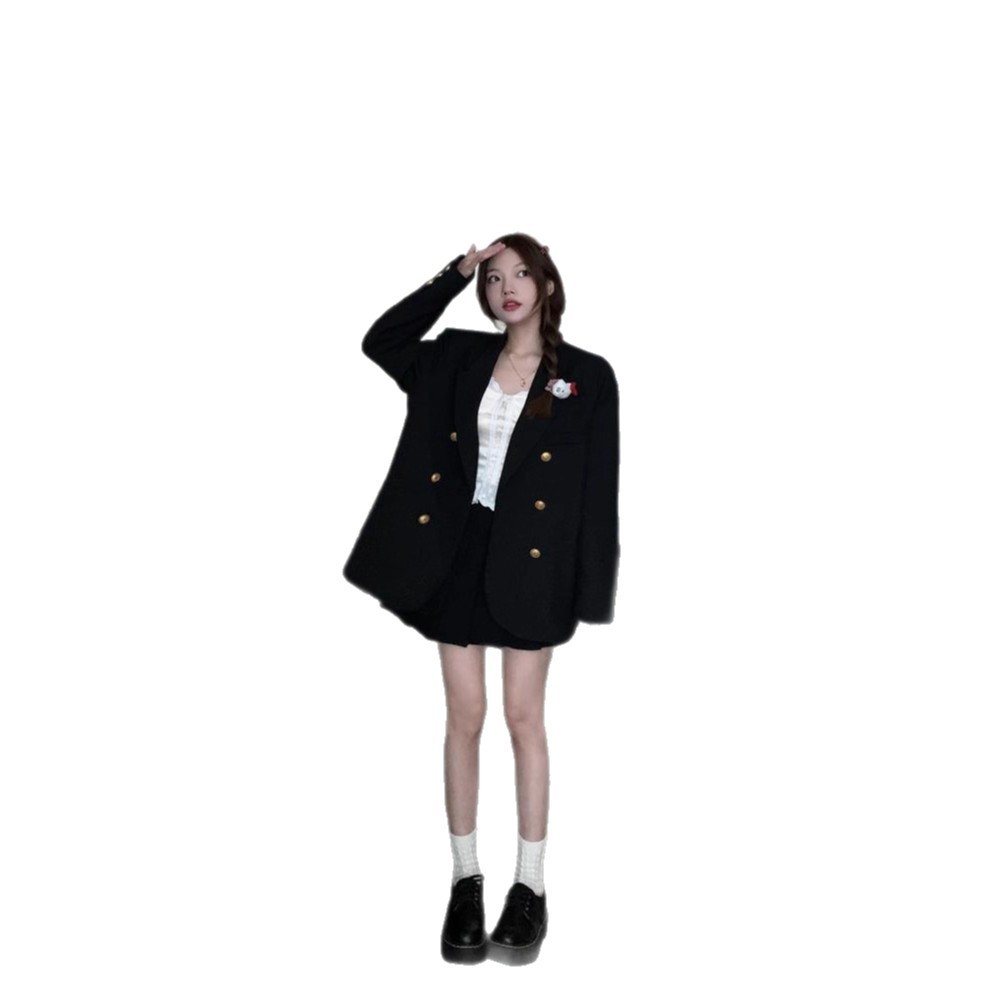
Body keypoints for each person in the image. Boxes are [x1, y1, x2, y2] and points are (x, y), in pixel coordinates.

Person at [343, 233, 620, 965]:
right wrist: (453, 272)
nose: (507, 287)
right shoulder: (456, 357)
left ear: (546, 284)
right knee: (463, 715)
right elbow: (381, 341)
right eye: (493, 278)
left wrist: (590, 594)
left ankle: (530, 886)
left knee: (524, 717)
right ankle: (465, 879)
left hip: (534, 566)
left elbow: (599, 495)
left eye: (520, 273)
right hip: (457, 555)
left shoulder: (588, 376)